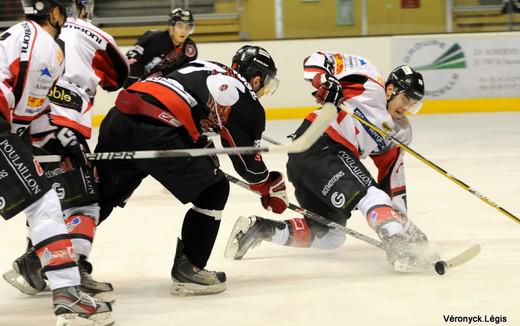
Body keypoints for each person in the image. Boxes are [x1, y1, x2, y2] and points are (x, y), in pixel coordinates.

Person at [94, 45, 289, 295]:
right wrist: (268, 185)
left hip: (120, 116)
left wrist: (199, 143)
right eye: (266, 83)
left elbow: (186, 101)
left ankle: (45, 259)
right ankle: (190, 268)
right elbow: (249, 167)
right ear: (256, 78)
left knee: (100, 195)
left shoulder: (209, 66)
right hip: (157, 130)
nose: (264, 90)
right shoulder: (244, 96)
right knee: (214, 190)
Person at [225, 52, 436, 271]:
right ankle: (398, 248)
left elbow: (392, 175)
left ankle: (260, 229)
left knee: (330, 234)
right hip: (319, 143)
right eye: (405, 100)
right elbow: (315, 59)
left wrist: (402, 221)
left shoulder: (399, 131)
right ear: (391, 90)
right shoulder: (369, 80)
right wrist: (326, 81)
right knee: (371, 194)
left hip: (314, 164)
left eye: (413, 105)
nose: (407, 108)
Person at [2, 0, 128, 302]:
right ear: (57, 12)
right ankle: (69, 294)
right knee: (50, 204)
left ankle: (60, 282)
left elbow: (32, 109)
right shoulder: (45, 45)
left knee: (45, 203)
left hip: (21, 131)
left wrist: (57, 137)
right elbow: (120, 72)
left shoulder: (26, 37)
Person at [123, 7, 198, 88]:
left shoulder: (190, 49)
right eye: (180, 26)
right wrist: (139, 84)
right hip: (137, 83)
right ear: (172, 27)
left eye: (187, 27)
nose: (184, 31)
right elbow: (131, 61)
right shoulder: (154, 38)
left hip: (163, 87)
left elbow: (184, 74)